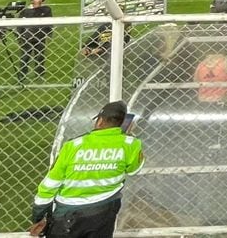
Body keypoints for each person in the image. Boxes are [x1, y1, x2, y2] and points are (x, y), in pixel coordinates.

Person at [30, 100, 143, 237]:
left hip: (68, 215)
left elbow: (50, 184)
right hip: (103, 213)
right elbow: (134, 170)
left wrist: (38, 215)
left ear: (100, 121)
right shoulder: (131, 144)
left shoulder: (73, 145)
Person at [18, 0, 54, 84]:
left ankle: (39, 75)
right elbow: (19, 25)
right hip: (27, 37)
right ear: (32, 0)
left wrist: (49, 33)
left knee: (40, 57)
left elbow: (49, 22)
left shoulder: (46, 10)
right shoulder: (25, 11)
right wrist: (19, 35)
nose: (39, 0)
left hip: (40, 37)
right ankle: (22, 75)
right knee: (25, 57)